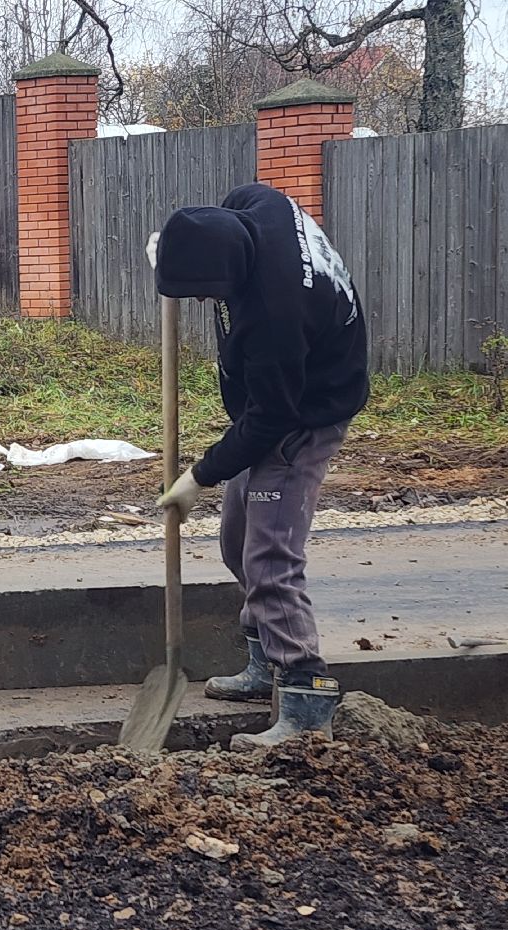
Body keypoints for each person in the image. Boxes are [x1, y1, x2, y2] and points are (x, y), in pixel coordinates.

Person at [147, 183, 369, 748]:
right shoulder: (255, 204)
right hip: (274, 402)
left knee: (270, 558)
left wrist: (199, 476)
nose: (199, 304)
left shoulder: (275, 312)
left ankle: (305, 695)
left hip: (306, 413)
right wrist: (173, 253)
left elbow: (273, 418)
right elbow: (215, 220)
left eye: (204, 294)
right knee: (237, 538)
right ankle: (263, 661)